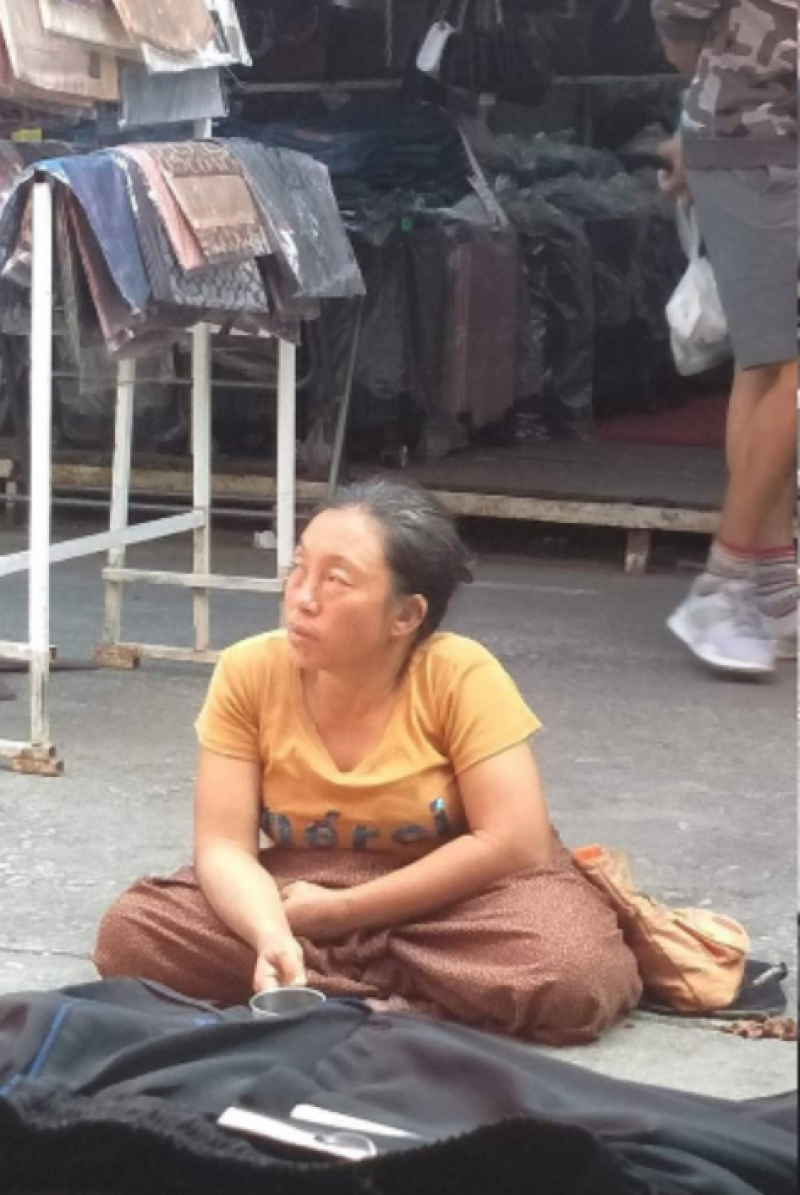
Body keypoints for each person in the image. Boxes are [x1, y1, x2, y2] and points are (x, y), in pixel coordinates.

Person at [95, 481, 642, 1047]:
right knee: (132, 933)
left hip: (457, 897)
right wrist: (270, 934)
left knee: (573, 973)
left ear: (406, 615)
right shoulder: (248, 671)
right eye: (299, 568)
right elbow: (223, 846)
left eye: (337, 580)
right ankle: (412, 1000)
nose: (303, 597)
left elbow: (514, 841)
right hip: (303, 887)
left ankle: (342, 995)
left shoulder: (459, 673)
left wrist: (342, 914)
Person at [653, 0, 798, 676]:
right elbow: (678, 19)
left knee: (767, 365)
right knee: (778, 368)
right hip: (756, 142)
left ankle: (770, 584)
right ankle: (724, 585)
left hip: (763, 139)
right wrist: (706, 101)